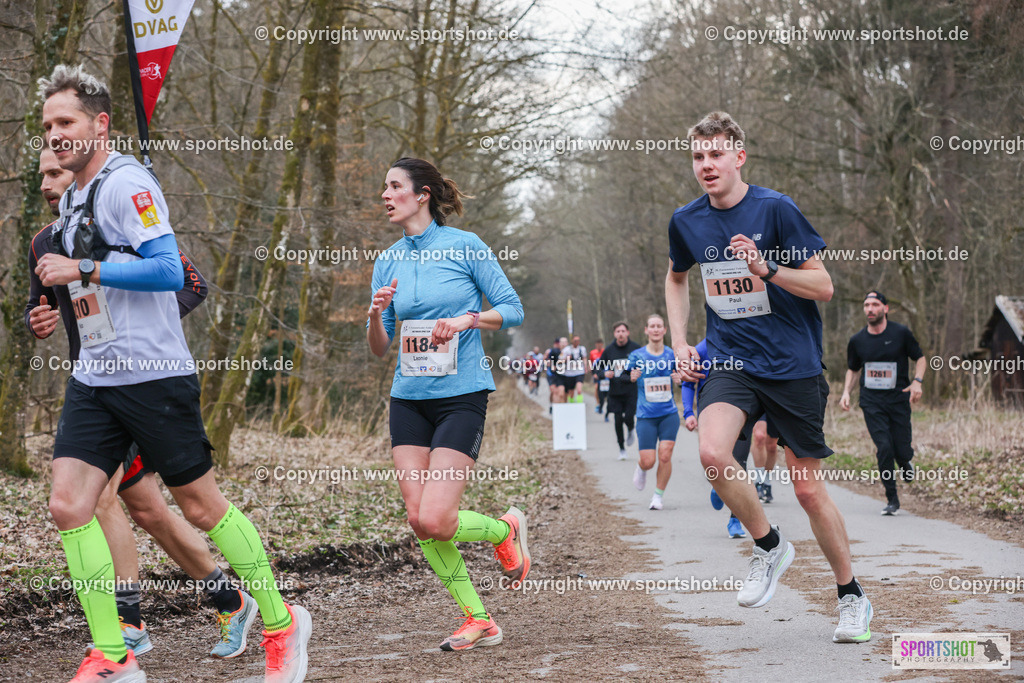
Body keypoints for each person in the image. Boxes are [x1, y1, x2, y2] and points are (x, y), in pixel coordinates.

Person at [36, 64, 310, 682]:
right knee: (68, 505)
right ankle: (112, 656)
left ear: (99, 124)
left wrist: (83, 272)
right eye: (48, 125)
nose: (54, 135)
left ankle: (279, 620)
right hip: (95, 378)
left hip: (153, 376)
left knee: (200, 507)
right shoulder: (75, 194)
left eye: (66, 123)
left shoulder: (126, 183)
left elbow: (168, 271)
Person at [28, 148, 259, 660]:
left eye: (58, 172)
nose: (48, 183)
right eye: (42, 174)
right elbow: (36, 305)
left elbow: (189, 282)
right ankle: (229, 599)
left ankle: (128, 624)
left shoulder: (114, 216)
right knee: (149, 509)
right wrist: (36, 322)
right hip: (95, 388)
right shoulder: (44, 242)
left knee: (108, 499)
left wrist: (139, 325)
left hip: (145, 380)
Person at [666, 111, 872, 643]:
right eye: (698, 156)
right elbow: (676, 277)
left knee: (807, 491)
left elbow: (823, 286)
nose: (706, 165)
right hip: (732, 361)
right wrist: (681, 342)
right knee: (712, 453)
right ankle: (768, 545)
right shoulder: (685, 220)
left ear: (739, 156)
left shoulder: (776, 210)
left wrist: (768, 270)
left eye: (716, 154)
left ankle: (851, 596)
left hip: (793, 367)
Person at [367, 157, 530, 652]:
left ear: (422, 195)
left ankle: (505, 529)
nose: (385, 195)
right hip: (408, 400)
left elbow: (514, 310)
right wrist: (375, 315)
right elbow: (379, 346)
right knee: (419, 520)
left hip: (461, 396)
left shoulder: (465, 246)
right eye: (385, 188)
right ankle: (478, 618)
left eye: (394, 186)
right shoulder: (389, 258)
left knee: (437, 519)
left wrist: (466, 321)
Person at [840, 291, 925, 515]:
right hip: (871, 402)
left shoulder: (901, 333)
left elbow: (921, 358)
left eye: (875, 304)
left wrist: (917, 381)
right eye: (866, 304)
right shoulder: (857, 340)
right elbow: (853, 369)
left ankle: (905, 461)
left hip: (898, 400)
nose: (870, 309)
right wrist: (846, 392)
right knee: (884, 447)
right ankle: (892, 499)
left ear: (885, 308)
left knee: (902, 449)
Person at [626, 315, 680, 510]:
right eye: (652, 326)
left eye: (659, 326)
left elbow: (684, 378)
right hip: (646, 415)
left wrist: (680, 379)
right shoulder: (637, 355)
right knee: (649, 460)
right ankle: (642, 468)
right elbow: (624, 375)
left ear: (664, 330)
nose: (656, 329)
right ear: (646, 330)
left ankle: (658, 496)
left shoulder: (672, 355)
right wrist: (631, 376)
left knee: (665, 455)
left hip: (669, 414)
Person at [597, 322, 640, 460]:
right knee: (617, 420)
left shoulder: (635, 349)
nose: (620, 334)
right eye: (618, 331)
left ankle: (631, 428)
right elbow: (597, 369)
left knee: (628, 417)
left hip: (631, 390)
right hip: (615, 392)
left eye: (623, 331)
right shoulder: (609, 350)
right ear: (614, 334)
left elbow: (645, 366)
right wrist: (604, 374)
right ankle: (621, 448)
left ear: (627, 332)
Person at [559, 335, 587, 402]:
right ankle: (572, 404)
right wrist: (567, 358)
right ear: (572, 341)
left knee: (579, 390)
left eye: (578, 341)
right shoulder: (566, 350)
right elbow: (560, 361)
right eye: (575, 341)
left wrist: (586, 366)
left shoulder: (582, 349)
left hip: (579, 372)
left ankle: (580, 404)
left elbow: (584, 358)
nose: (577, 342)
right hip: (569, 373)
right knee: (571, 392)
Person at [589, 339, 607, 414]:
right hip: (596, 373)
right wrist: (593, 374)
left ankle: (604, 403)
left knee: (605, 390)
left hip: (604, 373)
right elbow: (591, 364)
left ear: (602, 344)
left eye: (600, 344)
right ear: (596, 345)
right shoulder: (592, 353)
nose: (599, 346)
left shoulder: (605, 351)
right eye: (597, 344)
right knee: (596, 387)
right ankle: (598, 403)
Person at [544, 338, 564, 407]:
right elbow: (545, 360)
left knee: (560, 392)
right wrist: (550, 365)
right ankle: (553, 406)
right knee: (554, 391)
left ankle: (557, 408)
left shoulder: (564, 351)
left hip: (560, 375)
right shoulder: (550, 351)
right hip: (551, 374)